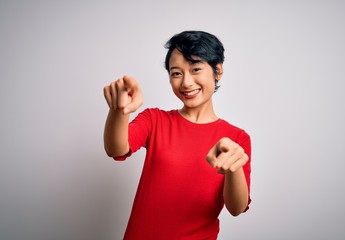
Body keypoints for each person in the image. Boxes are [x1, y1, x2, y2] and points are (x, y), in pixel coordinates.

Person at [103, 30, 252, 240]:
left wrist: (233, 167)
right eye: (176, 73)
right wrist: (119, 110)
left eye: (196, 69)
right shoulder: (155, 120)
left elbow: (236, 208)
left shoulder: (236, 138)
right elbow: (116, 148)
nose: (186, 83)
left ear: (218, 70)